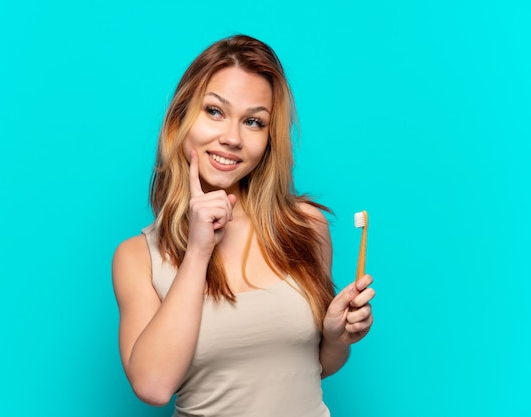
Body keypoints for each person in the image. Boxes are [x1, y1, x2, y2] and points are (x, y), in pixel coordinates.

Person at [112, 34, 375, 417]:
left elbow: (311, 367)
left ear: (269, 139)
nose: (232, 138)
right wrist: (199, 251)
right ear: (181, 118)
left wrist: (337, 339)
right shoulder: (138, 258)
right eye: (215, 112)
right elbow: (153, 385)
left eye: (253, 121)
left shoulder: (304, 227)